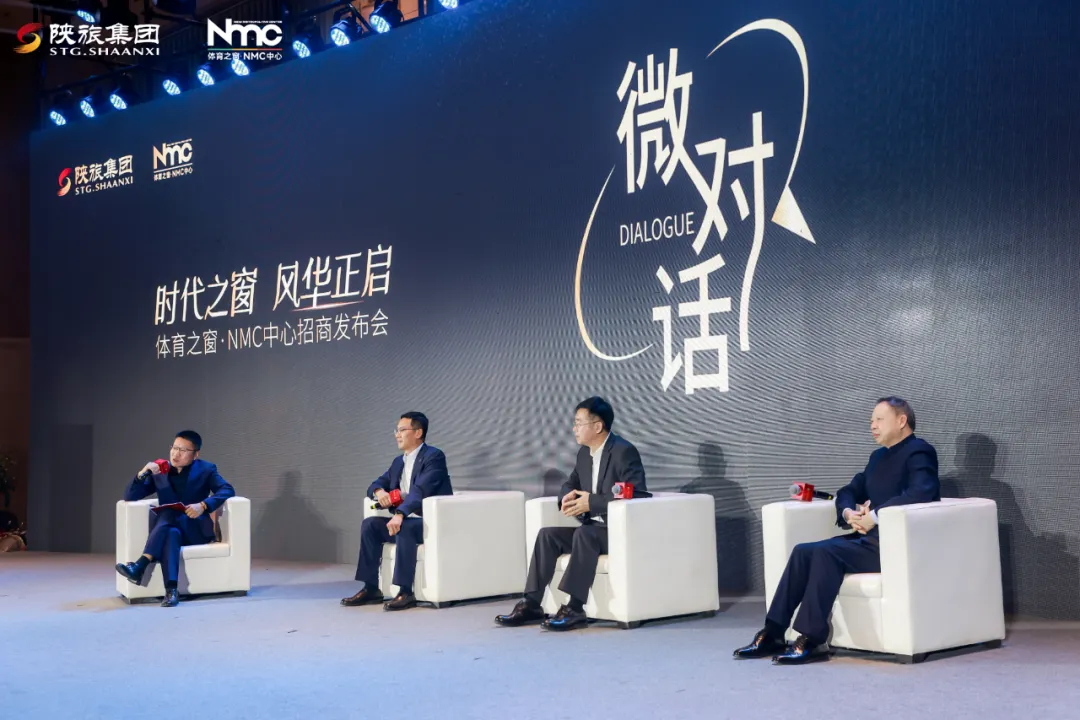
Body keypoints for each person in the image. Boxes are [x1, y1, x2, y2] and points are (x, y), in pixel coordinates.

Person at [734, 397, 940, 664]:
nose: (872, 426)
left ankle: (812, 639)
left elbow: (920, 492)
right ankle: (773, 631)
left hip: (895, 546)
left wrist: (874, 517)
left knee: (826, 553)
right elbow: (848, 491)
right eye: (871, 421)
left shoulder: (919, 451)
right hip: (868, 541)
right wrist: (848, 512)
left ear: (902, 421)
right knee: (803, 551)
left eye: (879, 419)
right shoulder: (877, 457)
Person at [495, 396, 648, 631]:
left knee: (584, 534)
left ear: (598, 426)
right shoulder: (584, 454)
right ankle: (532, 603)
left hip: (617, 531)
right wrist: (566, 497)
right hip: (593, 530)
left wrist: (592, 503)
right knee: (547, 535)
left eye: (578, 423)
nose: (574, 428)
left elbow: (637, 494)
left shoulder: (623, 451)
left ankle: (575, 608)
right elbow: (570, 483)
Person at [341, 412, 452, 611]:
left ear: (418, 433)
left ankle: (405, 591)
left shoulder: (434, 457)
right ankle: (371, 588)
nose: (397, 435)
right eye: (396, 430)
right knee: (370, 525)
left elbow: (420, 491)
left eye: (402, 430)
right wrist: (379, 491)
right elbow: (375, 484)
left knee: (405, 527)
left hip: (430, 523)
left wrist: (400, 514)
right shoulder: (398, 462)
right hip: (406, 521)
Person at [115, 431, 235, 607]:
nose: (176, 454)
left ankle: (141, 565)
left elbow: (227, 489)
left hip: (195, 530)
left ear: (195, 454)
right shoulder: (160, 470)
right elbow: (130, 496)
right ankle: (171, 591)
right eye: (174, 448)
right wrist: (142, 474)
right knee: (171, 531)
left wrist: (202, 505)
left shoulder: (206, 469)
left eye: (183, 450)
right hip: (169, 530)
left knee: (168, 514)